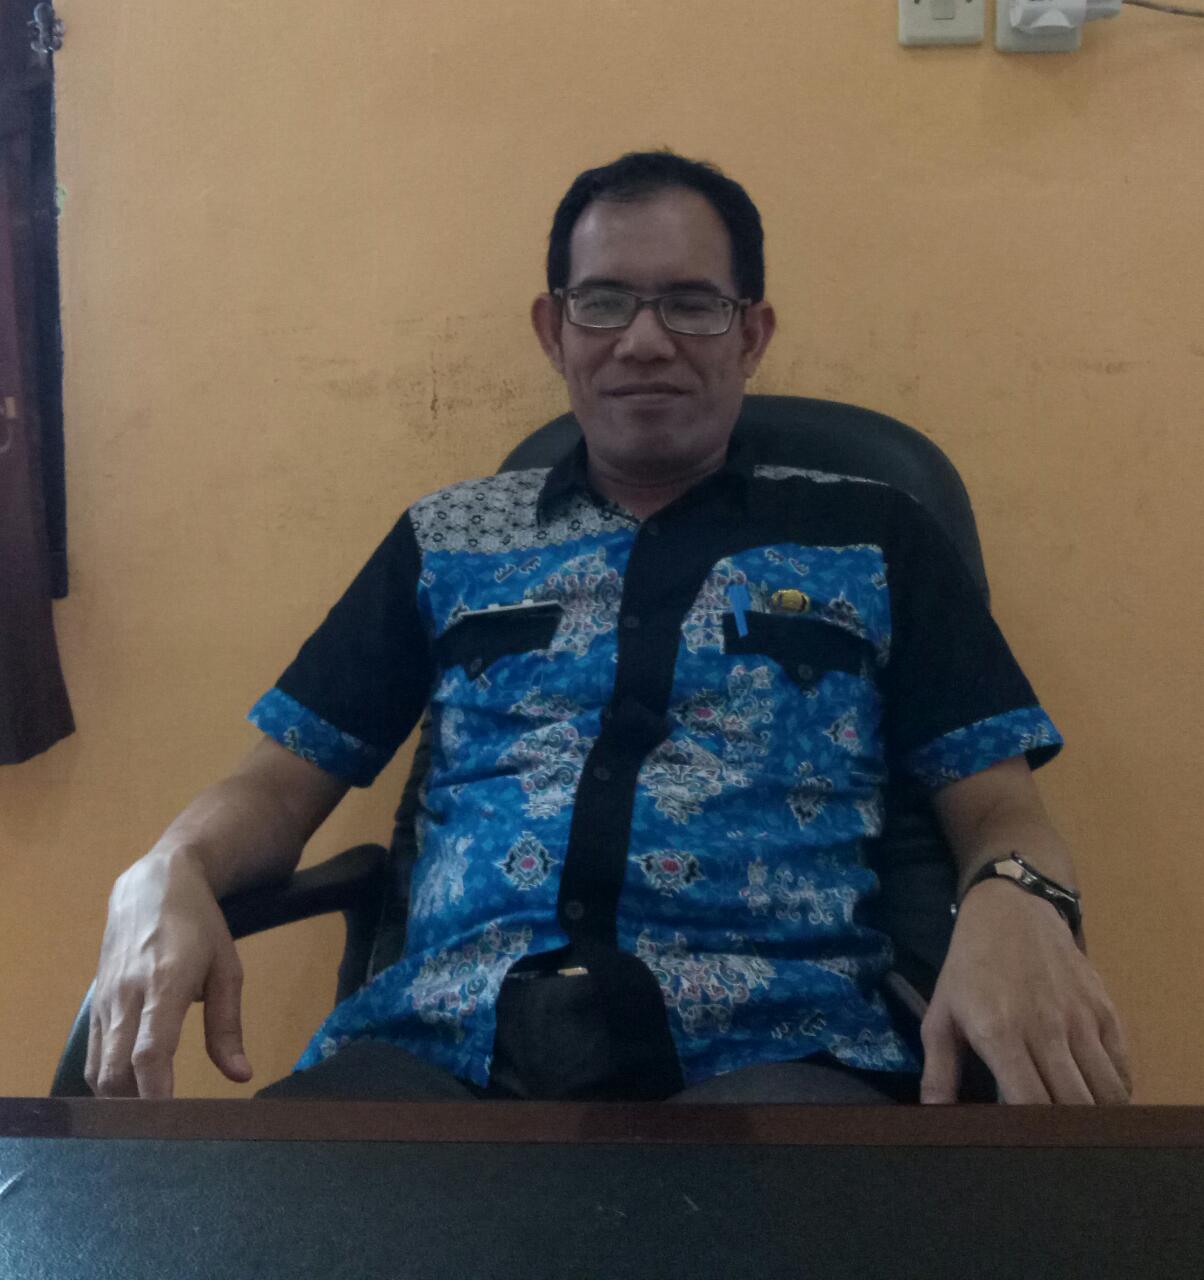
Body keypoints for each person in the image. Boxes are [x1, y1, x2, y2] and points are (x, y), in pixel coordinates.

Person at [87, 151, 1131, 1106]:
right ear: (554, 330)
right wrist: (169, 866)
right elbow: (278, 785)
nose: (644, 340)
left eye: (691, 303)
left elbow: (1002, 807)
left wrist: (1018, 897)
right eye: (604, 302)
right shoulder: (447, 539)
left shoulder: (874, 536)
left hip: (775, 1051)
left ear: (751, 333)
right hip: (440, 1043)